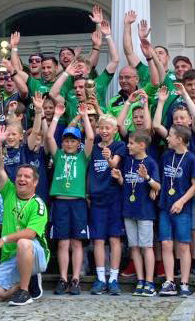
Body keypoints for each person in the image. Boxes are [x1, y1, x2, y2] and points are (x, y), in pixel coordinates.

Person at [0, 145, 49, 306]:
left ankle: (25, 292)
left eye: (27, 177)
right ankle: (27, 281)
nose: (22, 179)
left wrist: (4, 239)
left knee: (23, 242)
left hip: (35, 254)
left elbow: (30, 233)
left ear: (35, 182)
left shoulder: (38, 204)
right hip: (11, 257)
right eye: (19, 176)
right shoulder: (9, 191)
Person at [46, 103, 94, 295]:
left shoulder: (83, 157)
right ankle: (63, 277)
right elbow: (49, 137)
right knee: (62, 242)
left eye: (73, 141)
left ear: (78, 143)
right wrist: (56, 116)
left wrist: (84, 116)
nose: (69, 143)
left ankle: (75, 278)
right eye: (66, 140)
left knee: (76, 242)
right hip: (60, 203)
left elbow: (91, 136)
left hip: (78, 203)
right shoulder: (58, 156)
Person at [113, 130, 160, 297]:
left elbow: (157, 187)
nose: (128, 145)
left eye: (132, 143)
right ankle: (140, 281)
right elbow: (125, 183)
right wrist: (119, 177)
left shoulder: (151, 163)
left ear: (142, 145)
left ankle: (150, 282)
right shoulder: (128, 161)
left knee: (146, 247)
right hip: (129, 209)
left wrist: (147, 177)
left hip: (145, 211)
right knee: (134, 247)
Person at [158, 125, 195, 298]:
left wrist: (182, 201)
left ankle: (184, 282)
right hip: (165, 205)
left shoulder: (191, 158)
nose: (167, 138)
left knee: (183, 245)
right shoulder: (166, 156)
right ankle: (169, 281)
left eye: (170, 136)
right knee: (166, 243)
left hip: (182, 207)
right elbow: (161, 177)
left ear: (179, 139)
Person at [87, 114, 126, 296]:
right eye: (101, 128)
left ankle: (114, 278)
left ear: (115, 130)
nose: (104, 131)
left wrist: (109, 158)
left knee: (114, 238)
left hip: (114, 198)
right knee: (99, 239)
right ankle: (101, 277)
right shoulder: (93, 148)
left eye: (108, 128)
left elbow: (114, 165)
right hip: (97, 199)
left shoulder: (119, 146)